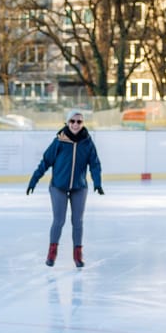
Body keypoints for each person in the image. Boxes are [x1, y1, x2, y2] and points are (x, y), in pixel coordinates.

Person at [26, 109, 103, 268]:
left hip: (79, 187)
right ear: (67, 123)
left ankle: (77, 254)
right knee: (59, 220)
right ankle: (52, 251)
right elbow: (45, 162)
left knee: (78, 222)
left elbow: (95, 164)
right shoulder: (59, 141)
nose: (75, 124)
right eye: (72, 121)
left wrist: (97, 182)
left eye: (79, 122)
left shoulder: (87, 142)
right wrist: (34, 180)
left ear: (82, 124)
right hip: (58, 187)